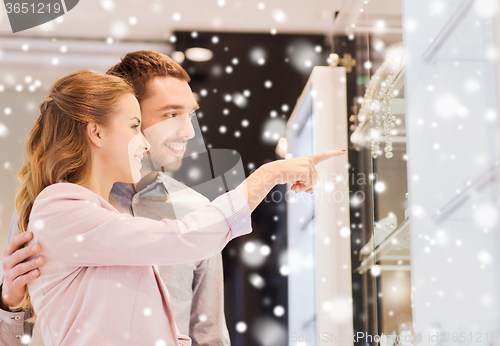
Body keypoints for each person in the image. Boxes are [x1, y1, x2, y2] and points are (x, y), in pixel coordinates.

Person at [3, 68, 344, 345]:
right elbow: (15, 334)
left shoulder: (197, 209)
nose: (188, 131)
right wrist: (8, 304)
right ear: (99, 130)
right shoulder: (56, 206)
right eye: (168, 115)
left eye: (191, 115)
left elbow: (206, 334)